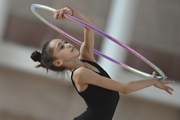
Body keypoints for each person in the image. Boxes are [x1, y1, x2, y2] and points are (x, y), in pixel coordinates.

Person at [31, 6, 174, 120]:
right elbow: (125, 88)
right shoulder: (80, 74)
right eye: (61, 47)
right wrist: (152, 81)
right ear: (58, 62)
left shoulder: (85, 56)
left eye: (65, 42)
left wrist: (70, 12)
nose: (68, 44)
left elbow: (89, 25)